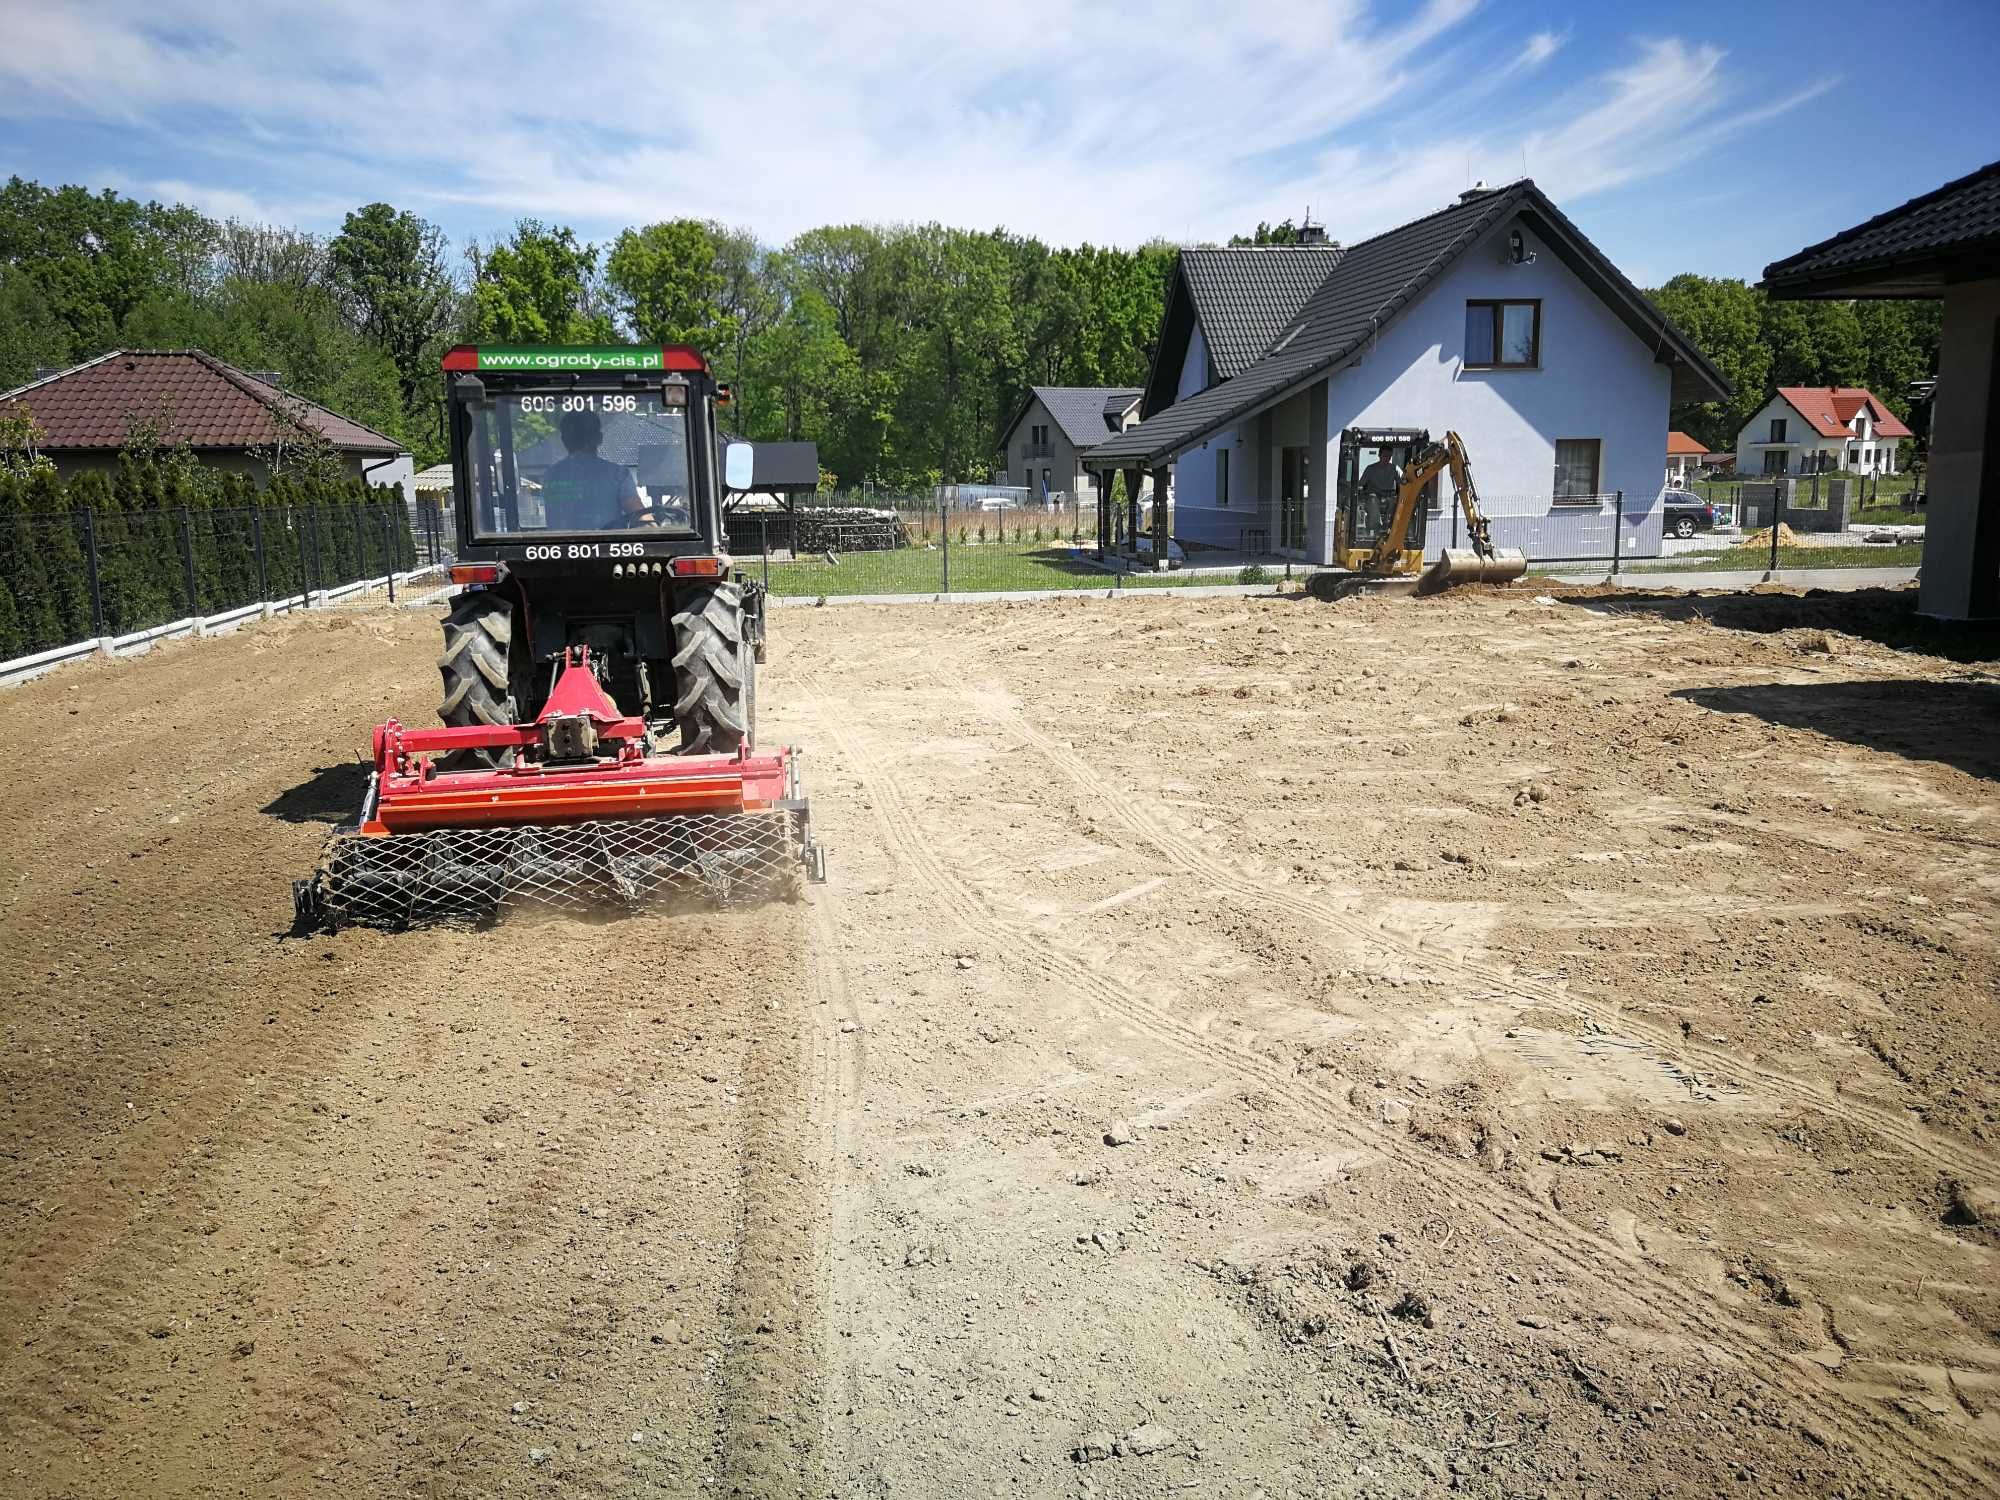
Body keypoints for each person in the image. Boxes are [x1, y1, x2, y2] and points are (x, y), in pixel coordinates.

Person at [539, 410, 645, 529]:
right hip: (607, 547)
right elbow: (642, 519)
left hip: (557, 547)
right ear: (599, 438)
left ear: (564, 440)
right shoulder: (617, 475)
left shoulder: (550, 475)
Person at [1359, 446, 1403, 538]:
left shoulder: (1394, 469)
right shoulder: (1370, 469)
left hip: (1390, 497)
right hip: (1375, 497)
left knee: (1397, 500)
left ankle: (1391, 525)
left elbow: (1404, 481)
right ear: (1379, 455)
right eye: (1385, 455)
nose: (1387, 458)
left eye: (1389, 456)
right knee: (1372, 499)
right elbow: (1360, 484)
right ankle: (1376, 527)